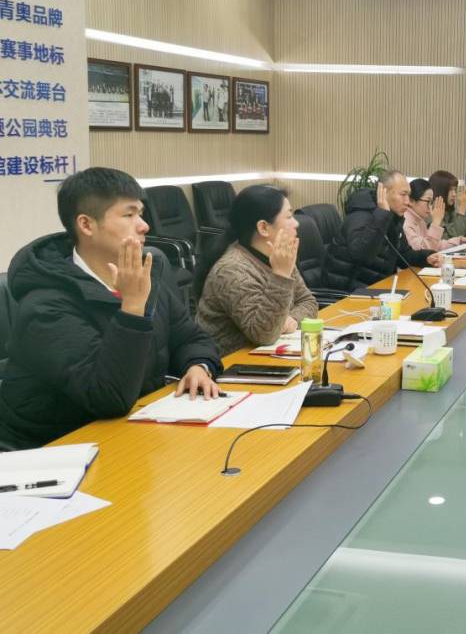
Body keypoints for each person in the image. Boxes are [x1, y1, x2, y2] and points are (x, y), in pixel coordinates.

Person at [0, 168, 222, 450]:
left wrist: (198, 367)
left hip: (134, 429)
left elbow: (192, 338)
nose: (144, 226)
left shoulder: (143, 275)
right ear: (86, 225)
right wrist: (132, 307)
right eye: (129, 215)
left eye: (141, 214)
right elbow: (107, 397)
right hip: (57, 448)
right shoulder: (45, 305)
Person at [195, 186, 317, 357]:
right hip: (232, 364)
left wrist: (293, 319)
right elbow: (264, 334)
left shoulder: (278, 256)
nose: (296, 223)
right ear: (263, 227)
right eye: (289, 216)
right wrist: (281, 275)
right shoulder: (231, 270)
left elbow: (308, 301)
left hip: (270, 356)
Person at [324, 170, 442, 290]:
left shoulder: (392, 217)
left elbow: (403, 255)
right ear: (384, 193)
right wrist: (382, 216)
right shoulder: (360, 215)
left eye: (408, 195)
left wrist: (426, 258)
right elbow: (361, 255)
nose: (407, 201)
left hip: (376, 287)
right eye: (403, 194)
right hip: (348, 291)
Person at [403, 178, 466, 252]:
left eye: (431, 202)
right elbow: (425, 249)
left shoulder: (420, 220)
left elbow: (436, 245)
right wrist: (436, 223)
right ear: (411, 201)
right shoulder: (405, 222)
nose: (430, 207)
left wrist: (458, 241)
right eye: (428, 201)